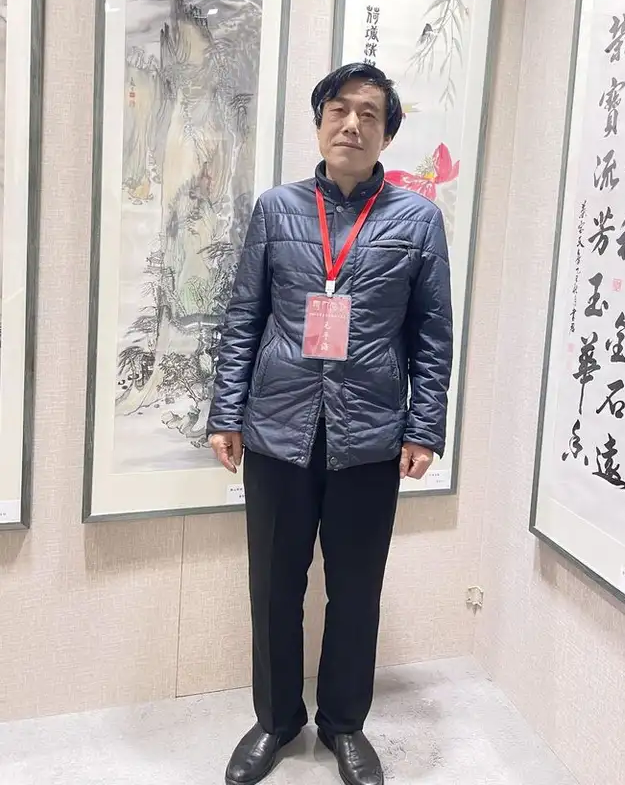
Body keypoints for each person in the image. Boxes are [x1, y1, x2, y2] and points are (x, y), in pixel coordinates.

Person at [208, 62, 453, 785]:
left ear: (387, 134)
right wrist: (226, 412)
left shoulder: (418, 220)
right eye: (339, 110)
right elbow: (244, 316)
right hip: (277, 429)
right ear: (319, 123)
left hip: (370, 437)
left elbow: (432, 335)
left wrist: (424, 427)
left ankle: (344, 723)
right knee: (274, 588)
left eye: (368, 114)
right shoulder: (276, 209)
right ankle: (277, 720)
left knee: (355, 591)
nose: (352, 124)